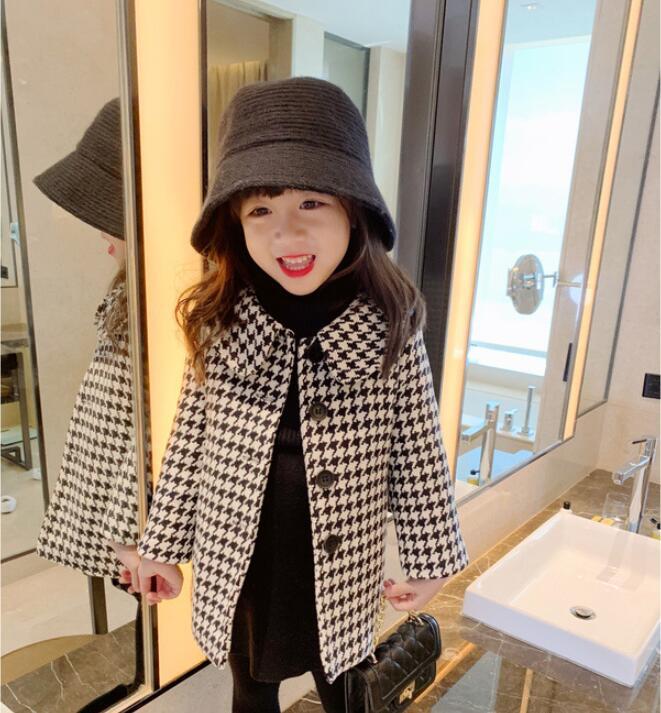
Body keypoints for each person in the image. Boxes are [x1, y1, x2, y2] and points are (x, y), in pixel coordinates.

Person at [130, 76, 469, 713]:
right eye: (259, 210)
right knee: (250, 689)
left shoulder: (390, 322)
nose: (285, 234)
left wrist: (430, 559)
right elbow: (189, 444)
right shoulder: (221, 320)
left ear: (354, 210)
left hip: (342, 566)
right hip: (243, 561)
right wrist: (163, 550)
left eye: (311, 202)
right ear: (234, 222)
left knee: (347, 689)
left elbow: (418, 450)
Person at [32, 97, 150, 709]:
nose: (102, 234)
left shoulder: (167, 297)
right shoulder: (134, 284)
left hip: (129, 506)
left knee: (152, 618)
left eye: (108, 218)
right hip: (109, 494)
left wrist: (133, 532)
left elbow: (154, 425)